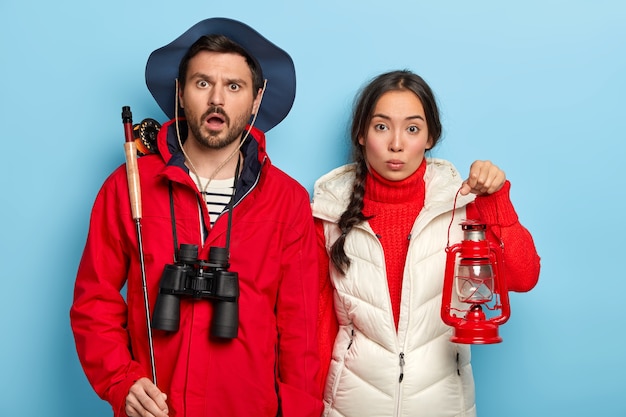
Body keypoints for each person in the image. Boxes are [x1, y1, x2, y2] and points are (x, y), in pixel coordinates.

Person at [70, 18, 322, 417]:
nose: (216, 100)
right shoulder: (128, 185)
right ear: (180, 93)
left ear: (256, 100)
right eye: (203, 83)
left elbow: (304, 330)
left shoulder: (286, 200)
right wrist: (121, 381)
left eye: (234, 87)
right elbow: (94, 301)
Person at [312, 70, 540, 417]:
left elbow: (523, 278)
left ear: (431, 137)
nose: (397, 144)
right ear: (361, 134)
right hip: (350, 404)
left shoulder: (461, 207)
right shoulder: (329, 212)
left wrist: (496, 201)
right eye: (382, 126)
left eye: (413, 128)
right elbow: (315, 324)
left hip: (444, 402)